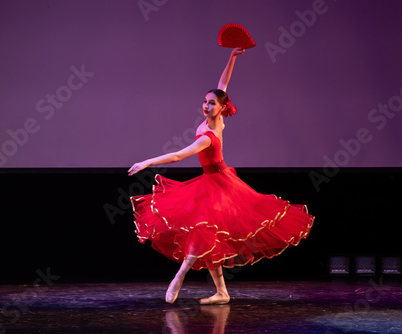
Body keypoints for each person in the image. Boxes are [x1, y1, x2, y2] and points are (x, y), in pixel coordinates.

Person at [128, 47, 314, 305]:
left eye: (212, 103)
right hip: (210, 182)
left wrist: (147, 161)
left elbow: (178, 156)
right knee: (208, 234)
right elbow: (222, 84)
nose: (206, 105)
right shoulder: (212, 119)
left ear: (222, 107)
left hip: (221, 185)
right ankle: (222, 292)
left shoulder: (209, 135)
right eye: (204, 101)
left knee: (204, 230)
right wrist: (233, 57)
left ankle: (180, 275)